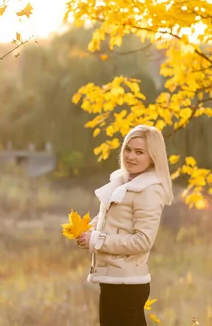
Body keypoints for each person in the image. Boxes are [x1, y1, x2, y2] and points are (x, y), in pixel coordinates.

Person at [75, 124, 174, 326]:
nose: (131, 157)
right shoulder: (123, 183)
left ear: (153, 157)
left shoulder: (149, 191)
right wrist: (90, 227)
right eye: (128, 149)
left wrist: (96, 240)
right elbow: (114, 220)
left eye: (139, 152)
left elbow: (143, 240)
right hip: (116, 281)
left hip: (126, 285)